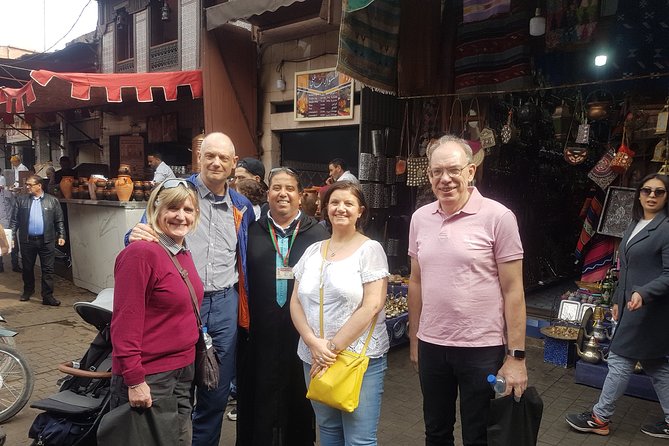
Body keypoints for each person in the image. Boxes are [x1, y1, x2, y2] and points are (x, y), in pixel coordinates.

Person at [126, 132, 254, 446]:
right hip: (179, 306)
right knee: (176, 390)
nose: (216, 162)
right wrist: (131, 234)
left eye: (224, 157)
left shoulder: (243, 207)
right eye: (210, 155)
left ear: (234, 164)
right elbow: (143, 233)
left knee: (215, 392)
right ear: (198, 157)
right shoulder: (175, 193)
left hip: (224, 305)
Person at [407, 135, 527, 446]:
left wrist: (516, 357)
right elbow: (416, 281)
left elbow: (513, 289)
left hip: (482, 352)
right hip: (432, 347)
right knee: (436, 431)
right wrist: (415, 338)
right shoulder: (420, 218)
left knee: (479, 435)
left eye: (453, 170)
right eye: (436, 172)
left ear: (470, 172)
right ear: (429, 175)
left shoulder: (498, 217)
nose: (444, 179)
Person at [566, 173, 669, 439]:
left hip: (648, 310)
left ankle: (600, 417)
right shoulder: (636, 223)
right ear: (639, 194)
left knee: (620, 360)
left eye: (659, 192)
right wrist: (615, 300)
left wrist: (643, 294)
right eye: (647, 191)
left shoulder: (667, 228)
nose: (652, 196)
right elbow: (626, 267)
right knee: (656, 365)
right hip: (631, 307)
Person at [290, 181, 389, 445]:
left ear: (360, 211)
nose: (340, 209)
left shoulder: (371, 250)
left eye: (348, 203)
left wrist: (330, 349)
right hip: (313, 357)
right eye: (335, 202)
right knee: (329, 431)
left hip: (357, 359)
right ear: (324, 208)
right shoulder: (312, 251)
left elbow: (372, 305)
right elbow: (296, 303)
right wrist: (313, 344)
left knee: (359, 440)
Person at [237, 167, 328, 446]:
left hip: (302, 335)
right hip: (259, 333)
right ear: (267, 193)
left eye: (290, 188)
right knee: (258, 396)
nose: (283, 194)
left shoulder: (318, 235)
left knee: (299, 399)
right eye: (277, 187)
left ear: (300, 196)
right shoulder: (250, 232)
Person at [110, 178, 203, 444]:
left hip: (183, 371)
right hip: (152, 375)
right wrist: (134, 379)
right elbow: (125, 321)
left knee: (181, 439)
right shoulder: (141, 254)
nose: (181, 216)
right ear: (156, 210)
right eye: (173, 208)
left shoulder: (181, 251)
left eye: (188, 210)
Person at [10, 175, 65, 306]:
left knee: (48, 269)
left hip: (46, 240)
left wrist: (61, 235)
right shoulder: (21, 200)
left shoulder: (52, 201)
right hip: (27, 241)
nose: (27, 187)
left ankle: (47, 296)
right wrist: (11, 237)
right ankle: (28, 290)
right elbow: (14, 221)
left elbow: (59, 220)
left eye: (29, 184)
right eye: (26, 184)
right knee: (27, 268)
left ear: (39, 186)